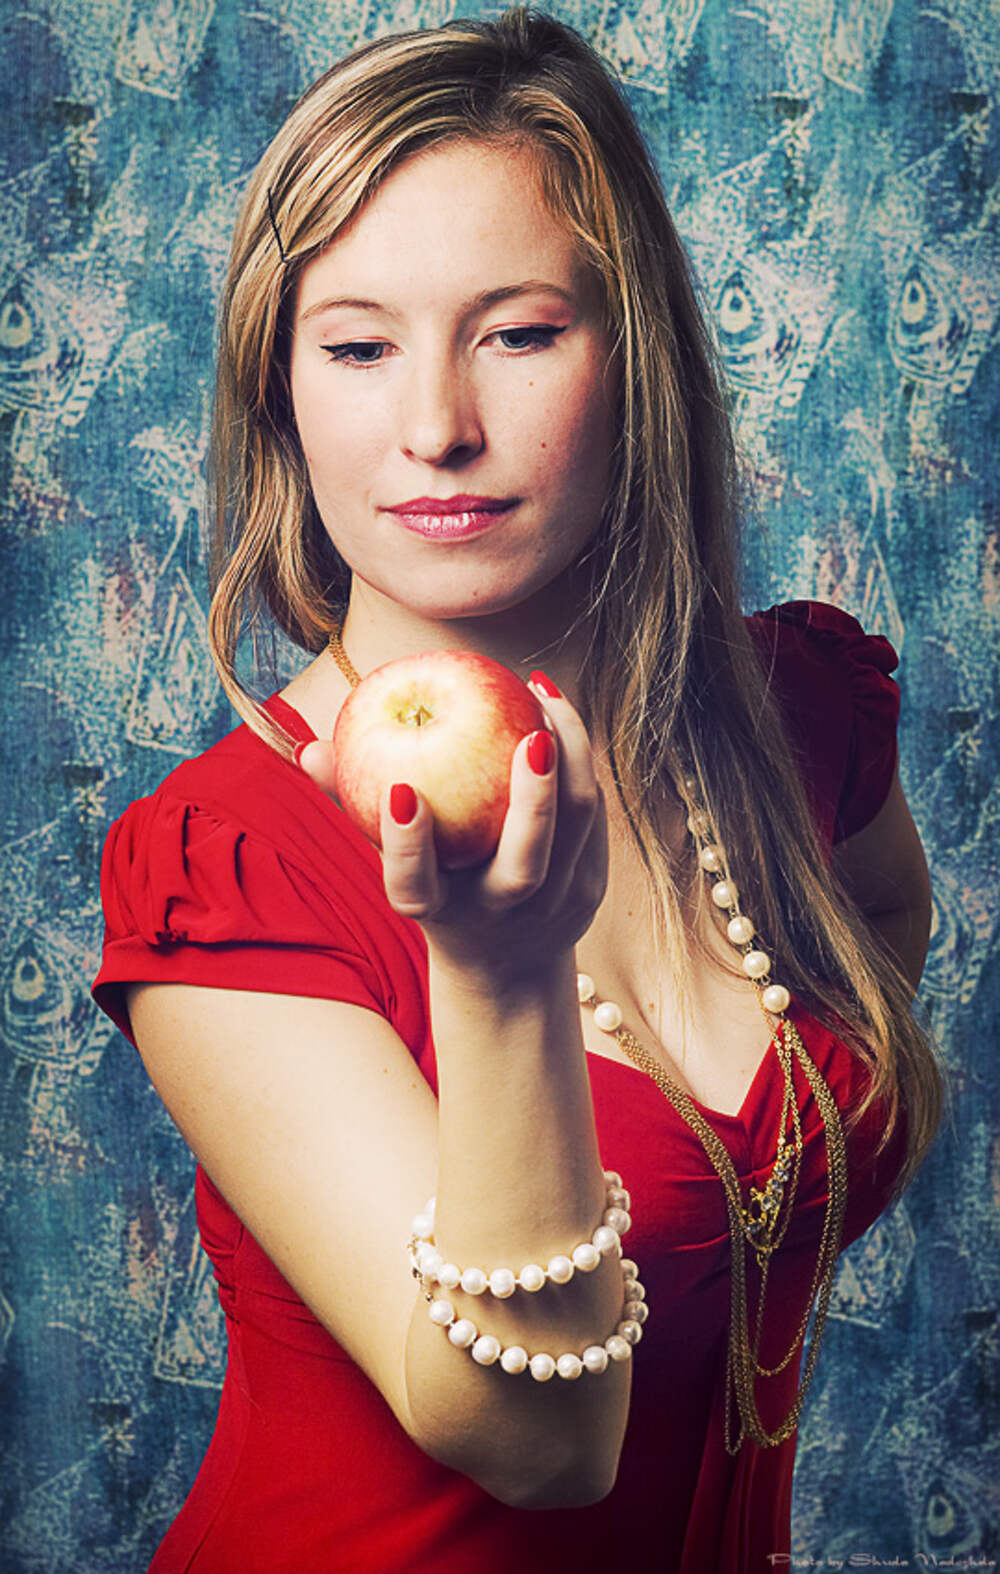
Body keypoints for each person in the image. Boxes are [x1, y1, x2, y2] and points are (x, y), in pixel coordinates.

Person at [92, 9, 943, 1570]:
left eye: (521, 333)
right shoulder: (228, 862)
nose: (438, 428)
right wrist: (500, 975)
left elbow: (885, 919)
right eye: (359, 346)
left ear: (639, 363)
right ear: (280, 391)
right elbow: (535, 1442)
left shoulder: (794, 709)